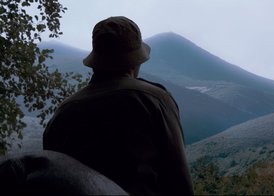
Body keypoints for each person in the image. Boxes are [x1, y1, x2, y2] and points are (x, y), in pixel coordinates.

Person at [43, 16, 194, 195]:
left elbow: (51, 176)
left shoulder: (64, 112)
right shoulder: (154, 99)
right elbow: (178, 179)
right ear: (135, 62)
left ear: (96, 61)